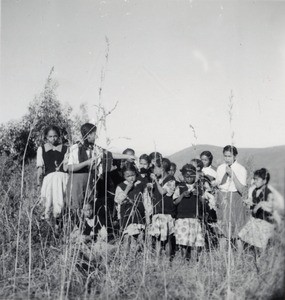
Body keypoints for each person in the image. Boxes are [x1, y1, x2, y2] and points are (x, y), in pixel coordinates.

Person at [67, 123, 135, 213]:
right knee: (76, 208)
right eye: (95, 134)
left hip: (90, 182)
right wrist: (87, 163)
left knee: (88, 207)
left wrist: (126, 156)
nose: (97, 136)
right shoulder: (75, 148)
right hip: (77, 182)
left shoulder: (96, 149)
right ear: (89, 135)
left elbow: (110, 154)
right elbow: (70, 168)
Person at [214, 145, 248, 241]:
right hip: (222, 197)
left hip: (235, 198)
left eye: (229, 156)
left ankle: (238, 254)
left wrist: (232, 175)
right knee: (223, 229)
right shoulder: (220, 168)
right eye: (225, 156)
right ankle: (222, 255)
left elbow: (242, 189)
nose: (227, 159)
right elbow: (219, 183)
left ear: (235, 156)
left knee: (237, 229)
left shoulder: (241, 169)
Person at [114, 162, 151, 249]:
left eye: (133, 175)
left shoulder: (141, 184)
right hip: (127, 216)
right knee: (128, 238)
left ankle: (137, 257)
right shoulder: (121, 186)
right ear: (124, 176)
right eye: (128, 176)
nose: (131, 178)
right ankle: (126, 258)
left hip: (139, 215)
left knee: (140, 237)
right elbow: (118, 200)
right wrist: (127, 189)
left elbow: (146, 199)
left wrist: (148, 214)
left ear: (135, 173)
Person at [37, 125, 69, 220]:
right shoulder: (42, 149)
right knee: (48, 203)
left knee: (62, 203)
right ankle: (49, 226)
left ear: (58, 136)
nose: (53, 138)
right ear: (46, 137)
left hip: (63, 179)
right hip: (49, 180)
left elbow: (67, 166)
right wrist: (39, 184)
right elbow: (40, 168)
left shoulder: (65, 149)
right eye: (50, 136)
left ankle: (61, 225)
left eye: (55, 136)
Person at [173, 164, 205, 260]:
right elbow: (175, 201)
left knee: (195, 239)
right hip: (182, 218)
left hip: (194, 217)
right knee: (183, 241)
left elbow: (203, 202)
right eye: (187, 176)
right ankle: (185, 259)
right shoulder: (180, 187)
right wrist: (182, 195)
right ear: (183, 176)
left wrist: (198, 195)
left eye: (192, 176)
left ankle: (196, 260)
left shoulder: (198, 187)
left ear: (195, 175)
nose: (190, 178)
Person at [238, 168, 275, 249]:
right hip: (254, 220)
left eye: (257, 179)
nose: (254, 181)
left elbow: (269, 207)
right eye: (254, 179)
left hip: (264, 222)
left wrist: (258, 205)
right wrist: (249, 202)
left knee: (260, 247)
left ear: (264, 181)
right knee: (240, 237)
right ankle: (241, 258)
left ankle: (260, 260)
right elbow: (252, 205)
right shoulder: (255, 190)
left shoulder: (268, 193)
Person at [148, 158, 176, 258]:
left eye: (155, 168)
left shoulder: (171, 180)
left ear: (162, 169)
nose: (154, 171)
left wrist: (155, 181)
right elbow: (154, 196)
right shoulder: (158, 180)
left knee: (167, 239)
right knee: (157, 238)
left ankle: (168, 261)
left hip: (166, 213)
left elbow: (163, 192)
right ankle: (157, 261)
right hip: (157, 212)